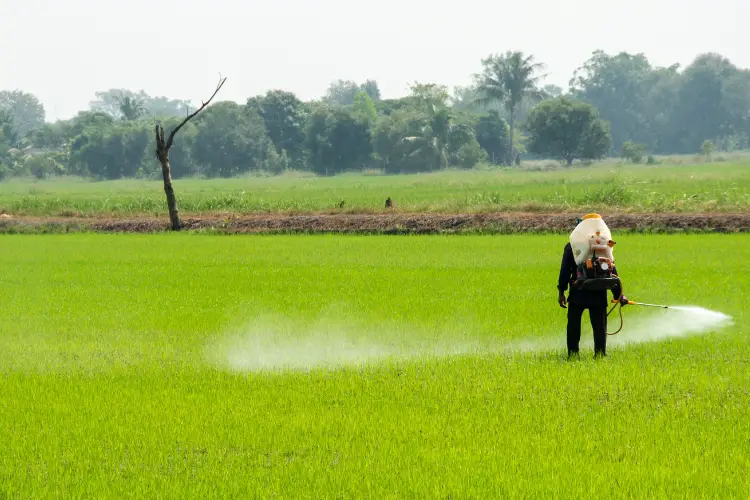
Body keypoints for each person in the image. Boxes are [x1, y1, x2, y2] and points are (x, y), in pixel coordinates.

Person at [557, 219, 629, 358]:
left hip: (578, 291)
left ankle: (573, 355)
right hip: (599, 291)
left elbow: (564, 271)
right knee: (600, 326)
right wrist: (619, 295)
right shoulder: (603, 246)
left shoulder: (572, 246)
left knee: (573, 325)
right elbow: (612, 270)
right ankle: (600, 355)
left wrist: (561, 291)